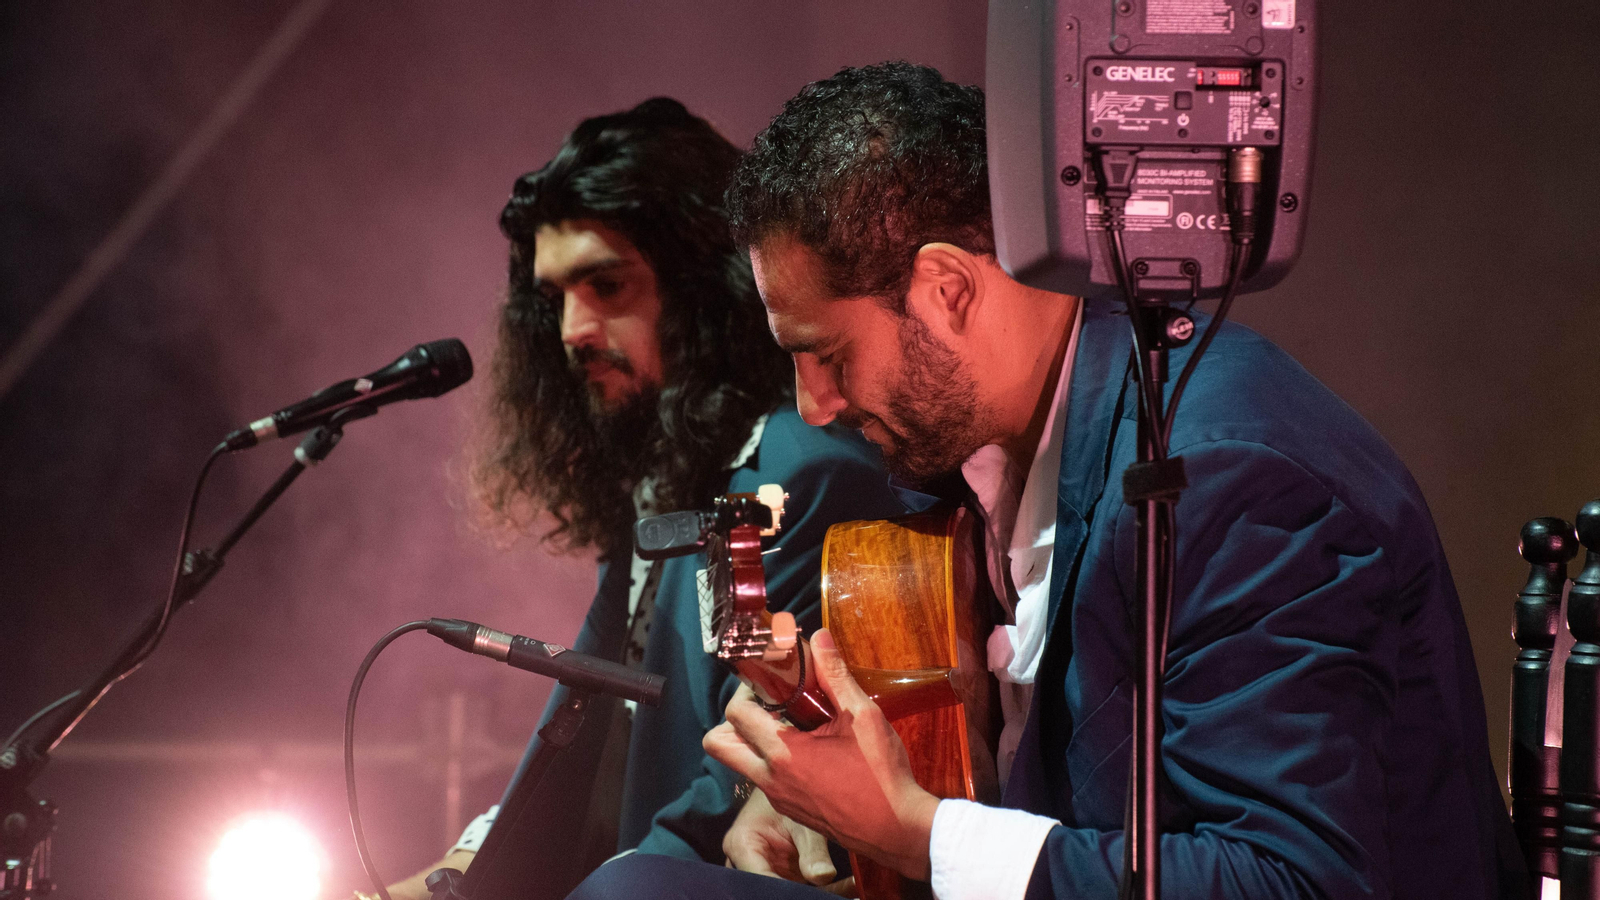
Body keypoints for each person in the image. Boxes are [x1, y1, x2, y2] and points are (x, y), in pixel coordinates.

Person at [566, 63, 1527, 900]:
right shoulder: (971, 452)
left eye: (825, 355)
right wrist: (810, 793)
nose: (812, 406)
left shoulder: (1235, 474)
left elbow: (1292, 881)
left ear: (947, 288)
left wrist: (916, 833)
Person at [368, 98, 901, 900]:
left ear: (701, 288)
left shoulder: (781, 474)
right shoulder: (670, 489)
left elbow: (738, 767)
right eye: (554, 300)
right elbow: (574, 759)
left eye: (607, 285)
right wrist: (442, 881)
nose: (573, 331)